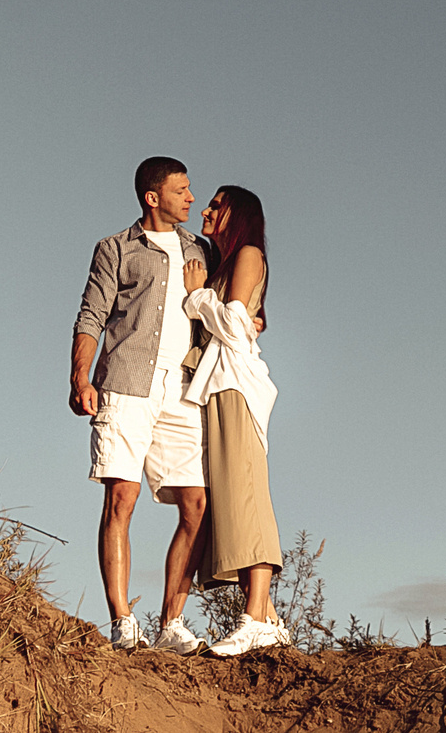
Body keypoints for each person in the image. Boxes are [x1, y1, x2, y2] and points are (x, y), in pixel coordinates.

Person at [71, 156, 210, 654]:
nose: (191, 198)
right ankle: (123, 621)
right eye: (182, 190)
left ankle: (172, 623)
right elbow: (91, 313)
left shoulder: (202, 250)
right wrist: (79, 377)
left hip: (183, 389)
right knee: (121, 499)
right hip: (126, 384)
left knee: (196, 504)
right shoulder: (116, 248)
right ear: (153, 197)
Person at [180, 183, 286, 657]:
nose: (205, 209)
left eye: (216, 205)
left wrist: (198, 296)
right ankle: (265, 618)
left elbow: (237, 324)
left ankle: (256, 618)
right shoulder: (230, 260)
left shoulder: (248, 253)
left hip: (237, 385)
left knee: (247, 494)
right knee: (233, 498)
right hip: (219, 386)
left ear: (237, 214)